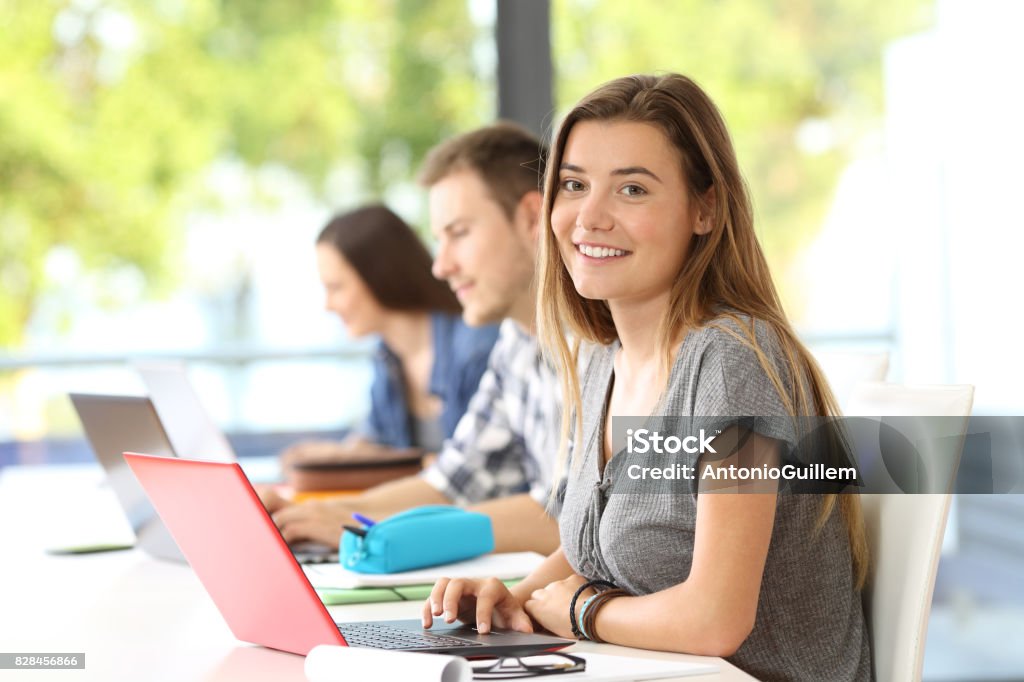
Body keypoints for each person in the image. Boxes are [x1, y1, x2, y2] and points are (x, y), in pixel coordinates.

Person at [423, 74, 872, 681]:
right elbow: (595, 545)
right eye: (574, 185)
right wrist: (517, 598)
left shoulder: (731, 361)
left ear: (705, 208)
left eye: (632, 189)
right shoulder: (599, 359)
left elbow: (715, 619)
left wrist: (583, 609)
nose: (590, 216)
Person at [265, 123, 564, 555]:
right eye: (438, 239)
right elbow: (452, 483)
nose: (440, 267)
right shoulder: (515, 346)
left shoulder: (607, 346)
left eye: (459, 233)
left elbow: (578, 518)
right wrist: (333, 513)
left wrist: (375, 529)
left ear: (533, 218)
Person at [280, 205, 499, 468]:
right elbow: (376, 441)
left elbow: (478, 471)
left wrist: (388, 464)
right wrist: (336, 456)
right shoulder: (387, 358)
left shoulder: (478, 348)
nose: (328, 305)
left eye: (336, 287)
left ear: (379, 276)